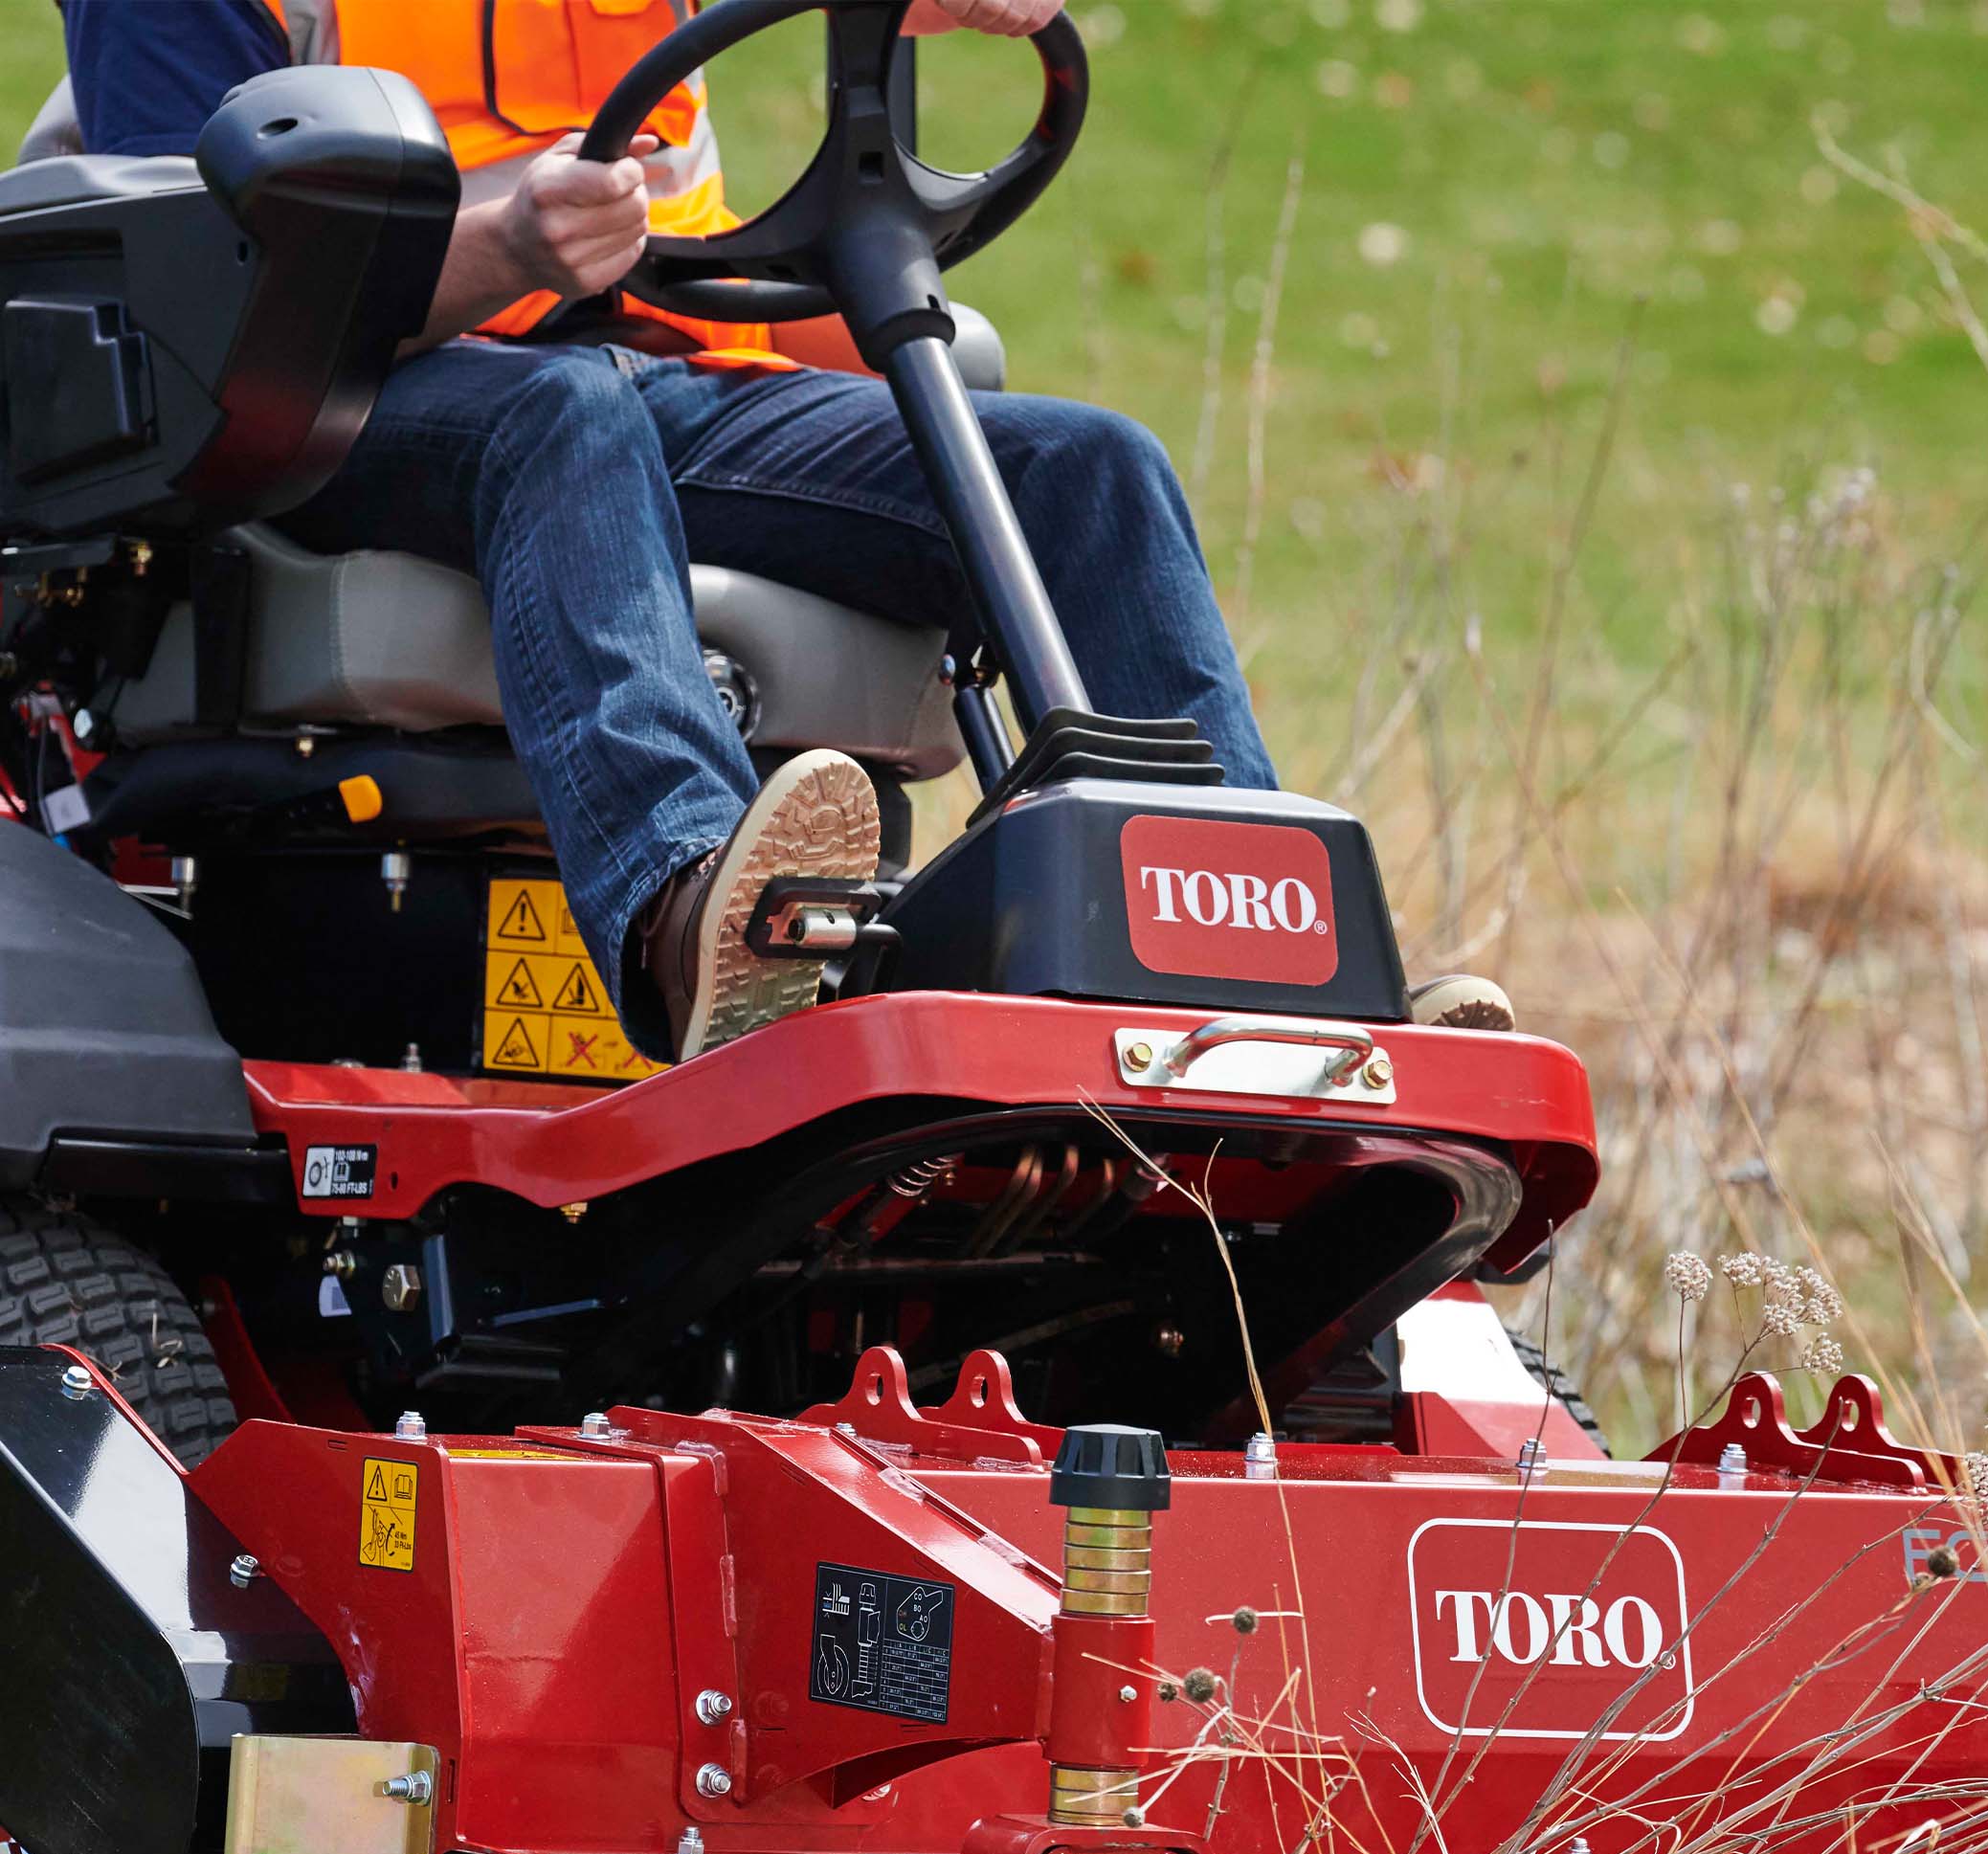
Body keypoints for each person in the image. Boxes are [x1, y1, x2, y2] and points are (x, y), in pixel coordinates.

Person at [38, 0, 1281, 1060]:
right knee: (563, 415)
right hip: (326, 397)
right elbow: (203, 303)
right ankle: (689, 915)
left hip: (653, 374)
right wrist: (504, 251)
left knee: (1086, 468)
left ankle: (1252, 964)